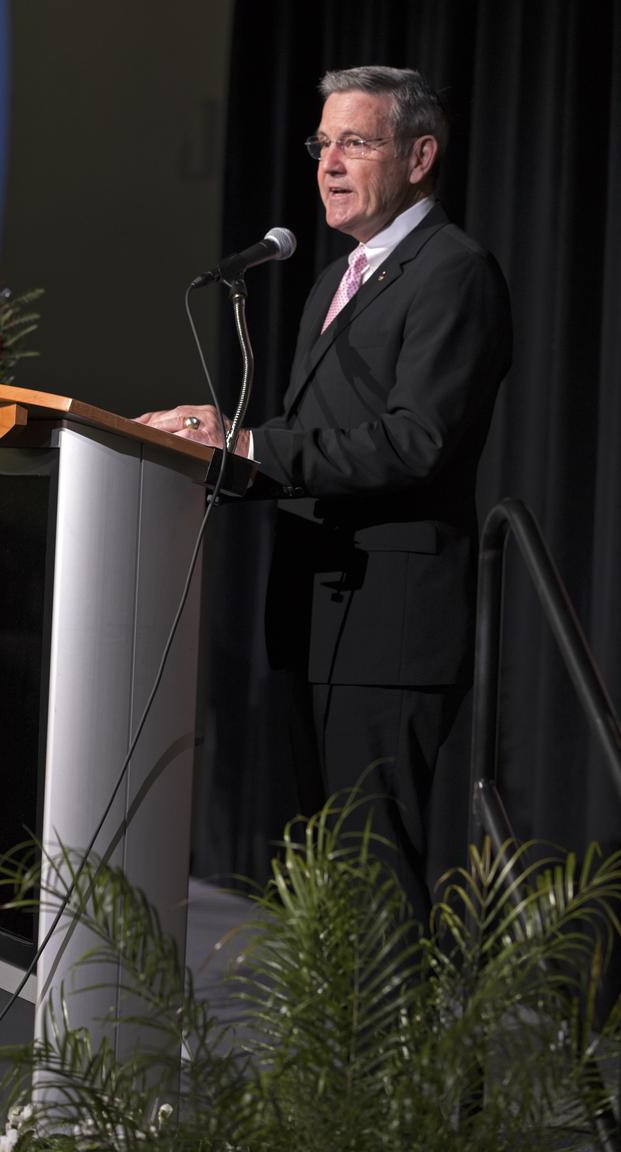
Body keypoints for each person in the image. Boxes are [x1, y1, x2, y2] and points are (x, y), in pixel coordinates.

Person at [136, 66, 512, 920]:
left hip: (390, 622)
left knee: (374, 878)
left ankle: (402, 1059)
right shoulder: (336, 279)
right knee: (334, 882)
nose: (328, 163)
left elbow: (415, 440)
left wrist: (256, 443)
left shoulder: (452, 271)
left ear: (419, 155)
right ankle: (343, 1057)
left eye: (355, 141)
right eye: (321, 143)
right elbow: (330, 431)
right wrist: (220, 435)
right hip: (317, 611)